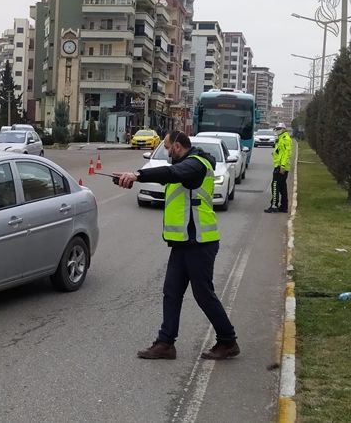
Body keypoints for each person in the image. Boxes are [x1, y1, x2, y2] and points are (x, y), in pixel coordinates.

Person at [114, 131, 240, 360]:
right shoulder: (185, 167)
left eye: (168, 147)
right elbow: (166, 176)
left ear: (178, 147)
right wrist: (131, 178)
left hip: (200, 242)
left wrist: (136, 174)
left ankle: (228, 341)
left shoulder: (195, 166)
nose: (167, 152)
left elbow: (172, 172)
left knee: (203, 294)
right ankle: (165, 343)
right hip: (184, 242)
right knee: (171, 292)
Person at [265, 122, 292, 213]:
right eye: (276, 129)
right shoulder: (281, 138)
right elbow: (281, 152)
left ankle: (274, 206)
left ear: (284, 129)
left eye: (279, 129)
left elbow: (286, 154)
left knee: (275, 186)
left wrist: (282, 166)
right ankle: (284, 207)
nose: (277, 131)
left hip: (281, 167)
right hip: (281, 166)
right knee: (282, 187)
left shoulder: (285, 139)